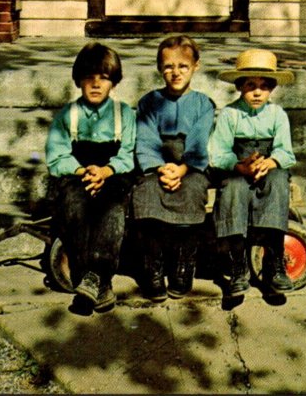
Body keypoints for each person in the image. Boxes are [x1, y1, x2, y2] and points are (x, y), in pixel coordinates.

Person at [45, 42, 136, 313]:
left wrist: (106, 172)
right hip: (77, 174)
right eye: (89, 78)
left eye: (103, 78)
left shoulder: (125, 115)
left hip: (112, 174)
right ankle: (100, 283)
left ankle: (95, 276)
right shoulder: (67, 116)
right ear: (78, 81)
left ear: (113, 83)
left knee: (112, 208)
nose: (96, 84)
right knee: (76, 204)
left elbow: (129, 155)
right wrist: (84, 172)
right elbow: (57, 156)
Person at [207, 48, 296, 298]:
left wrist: (271, 162)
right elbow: (218, 153)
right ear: (239, 87)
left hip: (268, 167)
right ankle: (237, 266)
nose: (257, 92)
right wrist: (239, 166)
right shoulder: (229, 114)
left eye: (264, 86)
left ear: (272, 88)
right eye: (250, 85)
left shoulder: (278, 115)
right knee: (233, 188)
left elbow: (286, 152)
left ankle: (274, 263)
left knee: (278, 182)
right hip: (239, 166)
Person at [132, 35, 215, 302]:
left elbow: (199, 141)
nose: (175, 72)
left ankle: (183, 266)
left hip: (190, 166)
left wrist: (182, 170)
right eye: (168, 66)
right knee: (145, 193)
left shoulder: (204, 104)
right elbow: (145, 139)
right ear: (159, 68)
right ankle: (152, 267)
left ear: (196, 66)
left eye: (183, 66)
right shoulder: (149, 102)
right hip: (156, 163)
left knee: (192, 192)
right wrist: (159, 168)